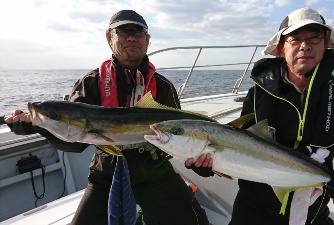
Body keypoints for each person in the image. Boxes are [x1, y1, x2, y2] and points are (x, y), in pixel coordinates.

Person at [6, 10, 209, 225]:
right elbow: (74, 143)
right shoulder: (90, 83)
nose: (131, 37)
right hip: (106, 171)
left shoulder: (162, 86)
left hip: (154, 171)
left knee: (196, 222)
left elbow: (184, 136)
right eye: (122, 31)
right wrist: (40, 127)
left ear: (148, 40)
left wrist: (198, 162)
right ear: (109, 37)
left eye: (138, 32)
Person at [185, 7, 334, 225]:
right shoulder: (258, 94)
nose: (305, 45)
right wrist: (207, 166)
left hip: (312, 208)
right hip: (253, 208)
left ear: (326, 44)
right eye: (295, 38)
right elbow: (238, 146)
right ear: (280, 48)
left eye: (314, 37)